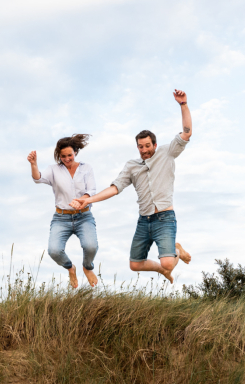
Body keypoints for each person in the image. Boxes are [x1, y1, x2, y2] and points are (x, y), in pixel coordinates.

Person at [71, 89, 192, 283]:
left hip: (164, 218)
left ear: (154, 144)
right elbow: (115, 188)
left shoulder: (167, 153)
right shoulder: (132, 166)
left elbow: (187, 133)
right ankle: (162, 270)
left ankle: (176, 251)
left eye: (147, 146)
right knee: (135, 264)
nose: (144, 150)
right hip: (144, 220)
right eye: (140, 146)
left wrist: (183, 104)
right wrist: (89, 200)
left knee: (168, 262)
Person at [28, 134, 99, 288]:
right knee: (54, 250)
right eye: (63, 156)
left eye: (70, 155)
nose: (67, 159)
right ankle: (70, 268)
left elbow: (91, 190)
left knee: (91, 246)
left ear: (75, 153)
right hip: (61, 218)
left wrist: (81, 200)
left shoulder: (86, 168)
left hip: (84, 216)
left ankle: (87, 267)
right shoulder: (54, 170)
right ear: (59, 156)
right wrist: (34, 164)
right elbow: (37, 178)